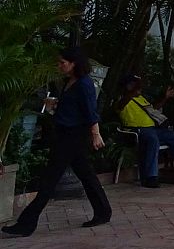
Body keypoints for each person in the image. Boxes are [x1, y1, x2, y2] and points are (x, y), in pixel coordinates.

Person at [3, 48, 111, 237]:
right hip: (64, 133)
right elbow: (72, 108)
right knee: (85, 174)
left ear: (74, 63)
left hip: (73, 135)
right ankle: (103, 210)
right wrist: (55, 105)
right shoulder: (69, 82)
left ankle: (27, 223)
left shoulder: (84, 84)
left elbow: (89, 111)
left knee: (50, 179)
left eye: (63, 62)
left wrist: (95, 134)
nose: (59, 66)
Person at [116, 74, 174, 188]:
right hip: (137, 131)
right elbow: (123, 102)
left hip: (153, 129)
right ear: (127, 87)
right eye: (134, 85)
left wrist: (166, 97)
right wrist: (135, 88)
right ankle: (151, 177)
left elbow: (154, 109)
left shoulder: (141, 98)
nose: (139, 88)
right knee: (152, 140)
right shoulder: (121, 100)